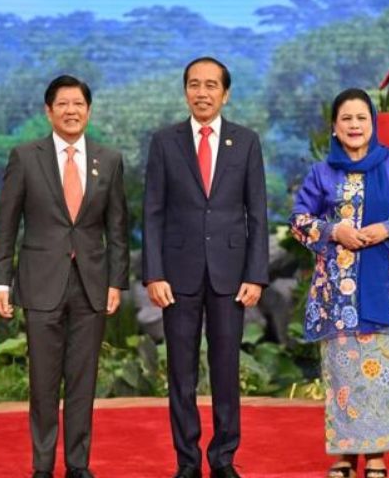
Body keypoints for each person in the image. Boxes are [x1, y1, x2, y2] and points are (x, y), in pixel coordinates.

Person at [0, 75, 129, 478]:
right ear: (48, 111)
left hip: (91, 284)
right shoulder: (25, 157)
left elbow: (117, 227)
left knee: (83, 381)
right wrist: (1, 281)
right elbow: (7, 224)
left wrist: (116, 281)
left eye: (78, 104)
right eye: (63, 104)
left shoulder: (109, 159)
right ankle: (42, 466)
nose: (71, 111)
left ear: (89, 110)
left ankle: (78, 465)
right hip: (40, 282)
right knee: (43, 381)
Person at [288, 88, 389, 478]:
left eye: (361, 118)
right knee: (344, 376)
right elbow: (299, 219)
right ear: (334, 126)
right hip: (338, 296)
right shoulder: (322, 172)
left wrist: (386, 228)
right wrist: (335, 231)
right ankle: (346, 456)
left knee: (382, 376)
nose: (354, 125)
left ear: (373, 124)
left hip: (384, 288)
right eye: (346, 118)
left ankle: (377, 455)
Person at [142, 56, 269, 478]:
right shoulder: (165, 142)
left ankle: (224, 458)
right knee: (181, 373)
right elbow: (152, 213)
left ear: (225, 94)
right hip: (177, 275)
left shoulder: (246, 142)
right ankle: (187, 461)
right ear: (185, 92)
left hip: (230, 275)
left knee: (226, 370)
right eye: (194, 84)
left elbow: (258, 213)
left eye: (211, 85)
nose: (202, 92)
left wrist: (255, 275)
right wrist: (154, 273)